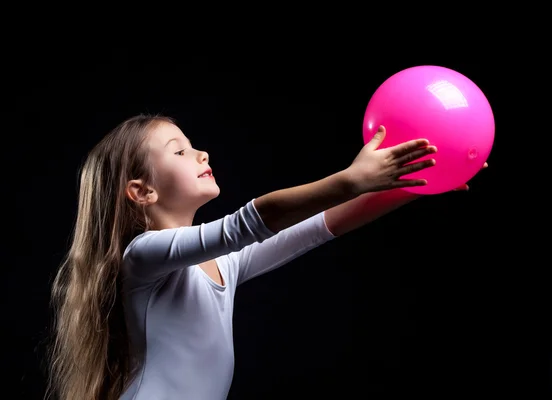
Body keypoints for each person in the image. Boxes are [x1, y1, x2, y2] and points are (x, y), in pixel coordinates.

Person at [47, 114, 486, 400]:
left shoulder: (226, 263)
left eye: (193, 144)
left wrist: (419, 183)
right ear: (143, 192)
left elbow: (322, 225)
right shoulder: (142, 257)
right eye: (179, 151)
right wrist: (350, 179)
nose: (201, 153)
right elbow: (255, 219)